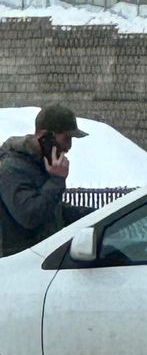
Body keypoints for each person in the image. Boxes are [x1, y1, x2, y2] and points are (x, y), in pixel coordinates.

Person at [0, 103, 89, 257]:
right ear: (45, 136)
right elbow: (30, 216)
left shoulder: (40, 164)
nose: (69, 146)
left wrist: (98, 215)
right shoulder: (11, 168)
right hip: (20, 264)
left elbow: (52, 211)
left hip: (42, 257)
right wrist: (56, 180)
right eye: (66, 138)